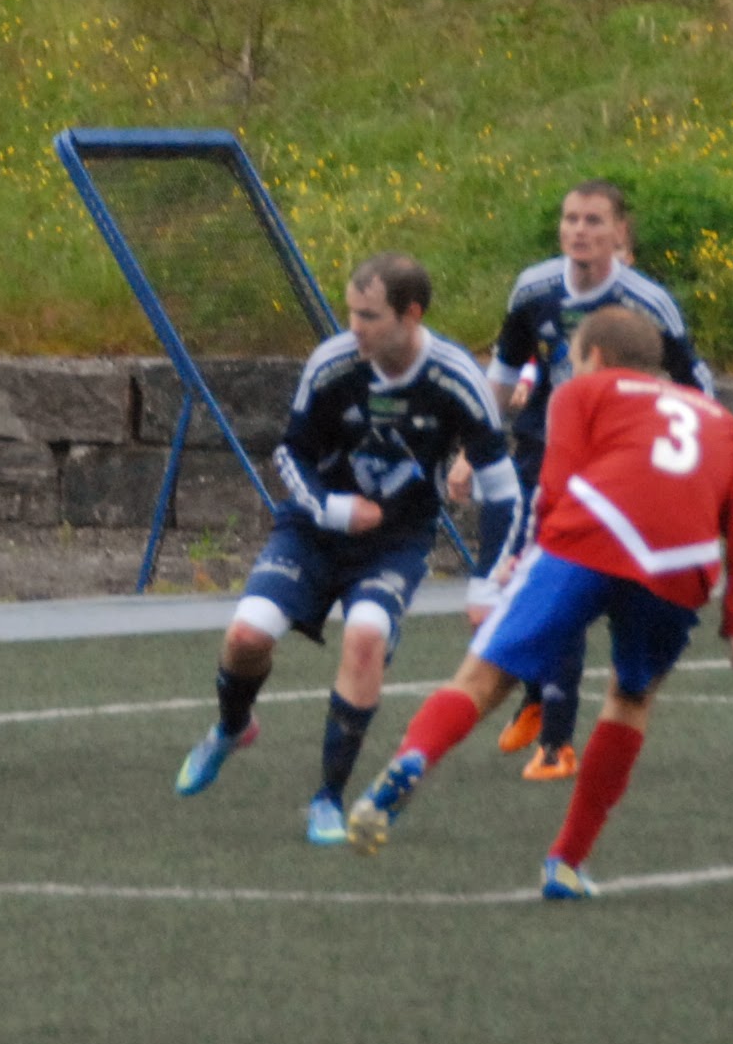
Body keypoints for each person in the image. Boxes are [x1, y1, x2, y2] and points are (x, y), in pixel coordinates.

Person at [344, 302, 733, 898]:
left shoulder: (580, 393)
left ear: (595, 357)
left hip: (591, 535)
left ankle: (414, 758)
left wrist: (528, 555)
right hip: (678, 565)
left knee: (484, 678)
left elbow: (556, 483)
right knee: (629, 700)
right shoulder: (724, 422)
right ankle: (566, 863)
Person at [173, 254, 519, 845]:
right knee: (246, 636)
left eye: (369, 316)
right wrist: (334, 508)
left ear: (412, 315)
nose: (354, 327)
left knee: (365, 636)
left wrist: (486, 584)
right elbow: (290, 453)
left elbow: (501, 484)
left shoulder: (457, 376)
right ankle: (231, 728)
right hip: (313, 530)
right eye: (351, 312)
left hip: (395, 542)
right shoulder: (333, 363)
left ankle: (328, 798)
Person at [487, 180, 713, 779]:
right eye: (571, 219)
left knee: (579, 584)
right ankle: (540, 703)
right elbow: (505, 368)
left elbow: (696, 386)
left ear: (619, 233)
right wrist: (473, 447)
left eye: (593, 220)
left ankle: (555, 739)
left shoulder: (648, 303)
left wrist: (696, 462)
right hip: (547, 452)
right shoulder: (534, 288)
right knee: (519, 587)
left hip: (620, 465)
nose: (580, 230)